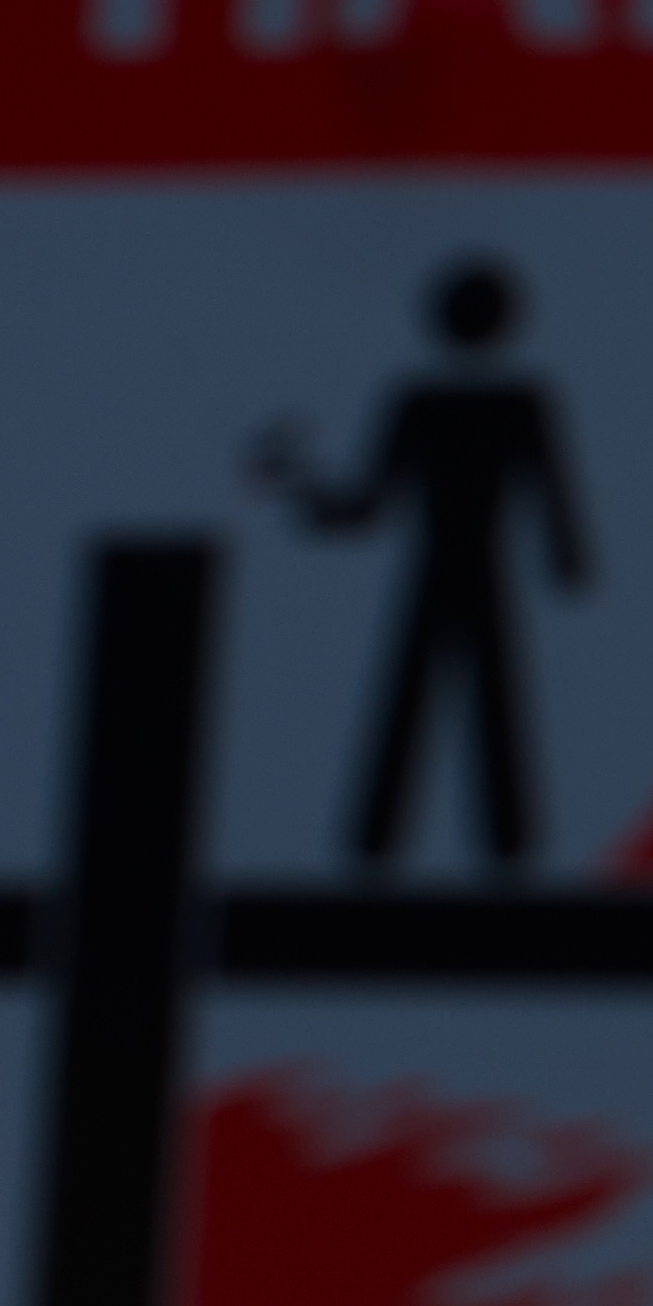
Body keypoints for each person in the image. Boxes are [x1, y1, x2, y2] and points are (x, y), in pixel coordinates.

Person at [251, 255, 594, 872]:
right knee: (437, 696)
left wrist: (567, 556)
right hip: (455, 566)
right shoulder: (438, 400)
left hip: (465, 567)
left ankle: (475, 842)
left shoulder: (493, 402)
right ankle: (407, 841)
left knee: (473, 697)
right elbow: (373, 501)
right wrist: (303, 490)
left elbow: (551, 492)